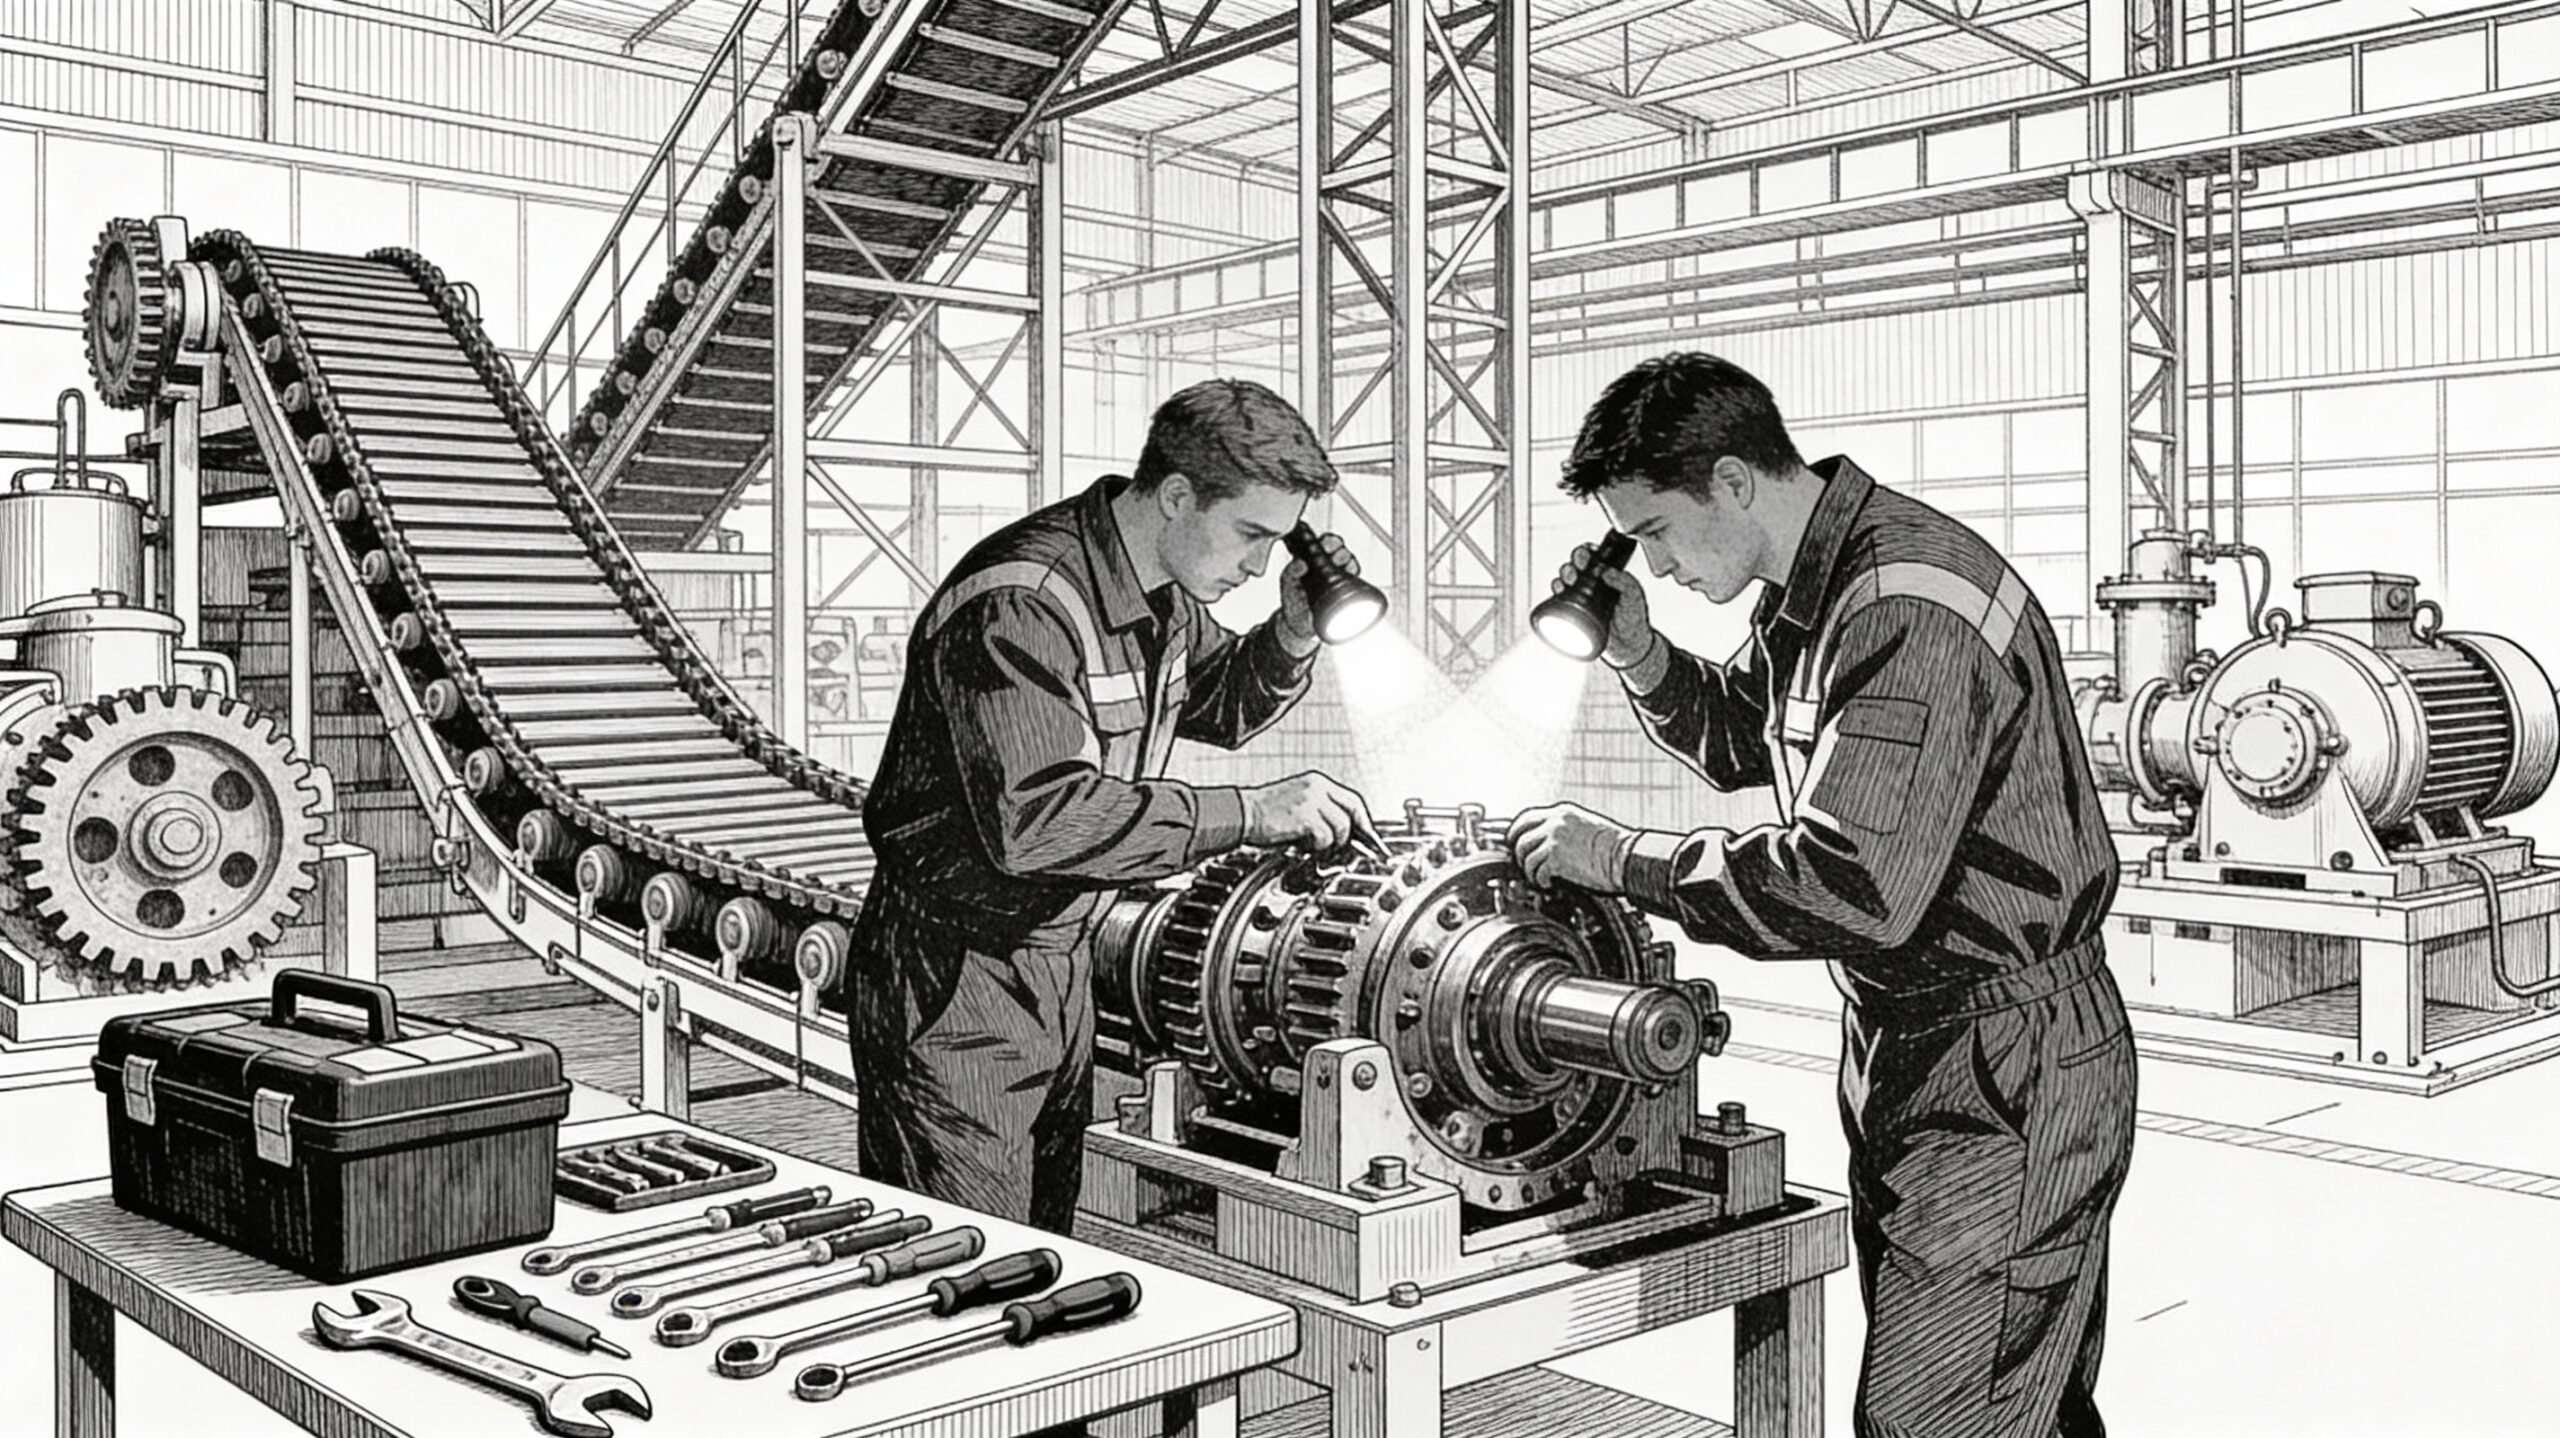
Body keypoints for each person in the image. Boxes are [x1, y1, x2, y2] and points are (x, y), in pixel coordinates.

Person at [1507, 353, 2136, 1438]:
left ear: (1734, 482)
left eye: (1655, 530)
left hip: (2001, 1062)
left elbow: (1853, 886)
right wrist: (1641, 652)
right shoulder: (1826, 585)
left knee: (1937, 1416)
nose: (1650, 564)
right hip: (1923, 1047)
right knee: (2006, 1398)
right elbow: (1744, 734)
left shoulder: (1905, 607)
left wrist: (1624, 862)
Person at [852, 377, 1377, 1236]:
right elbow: (1037, 822)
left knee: (1039, 1248)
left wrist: (1291, 633)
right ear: (1177, 496)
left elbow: (1220, 708)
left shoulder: (1162, 590)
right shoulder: (1024, 602)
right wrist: (1248, 813)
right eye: (1251, 535)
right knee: (964, 1259)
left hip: (1061, 967)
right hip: (957, 981)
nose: (1257, 564)